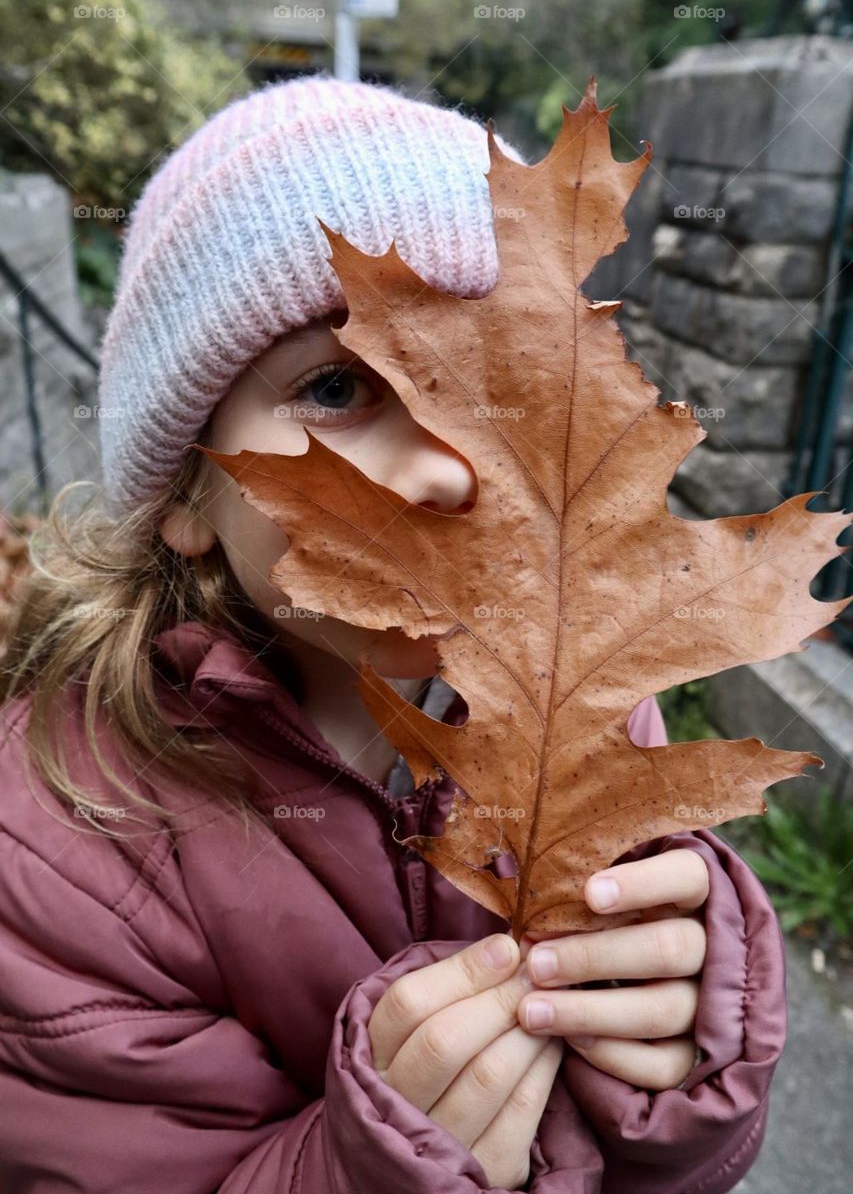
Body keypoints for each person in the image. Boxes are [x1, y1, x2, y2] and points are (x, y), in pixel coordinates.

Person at [0, 74, 785, 1193]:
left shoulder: (596, 704)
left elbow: (654, 1147)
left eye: (506, 380)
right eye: (336, 387)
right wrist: (355, 1169)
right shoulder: (67, 853)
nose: (457, 463)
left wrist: (686, 1051)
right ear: (186, 496)